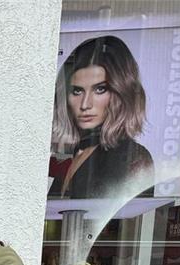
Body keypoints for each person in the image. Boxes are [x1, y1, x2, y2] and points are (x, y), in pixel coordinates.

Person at [49, 35, 152, 198]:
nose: (85, 104)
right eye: (77, 91)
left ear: (120, 92)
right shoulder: (76, 151)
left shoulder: (132, 157)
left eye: (99, 89)